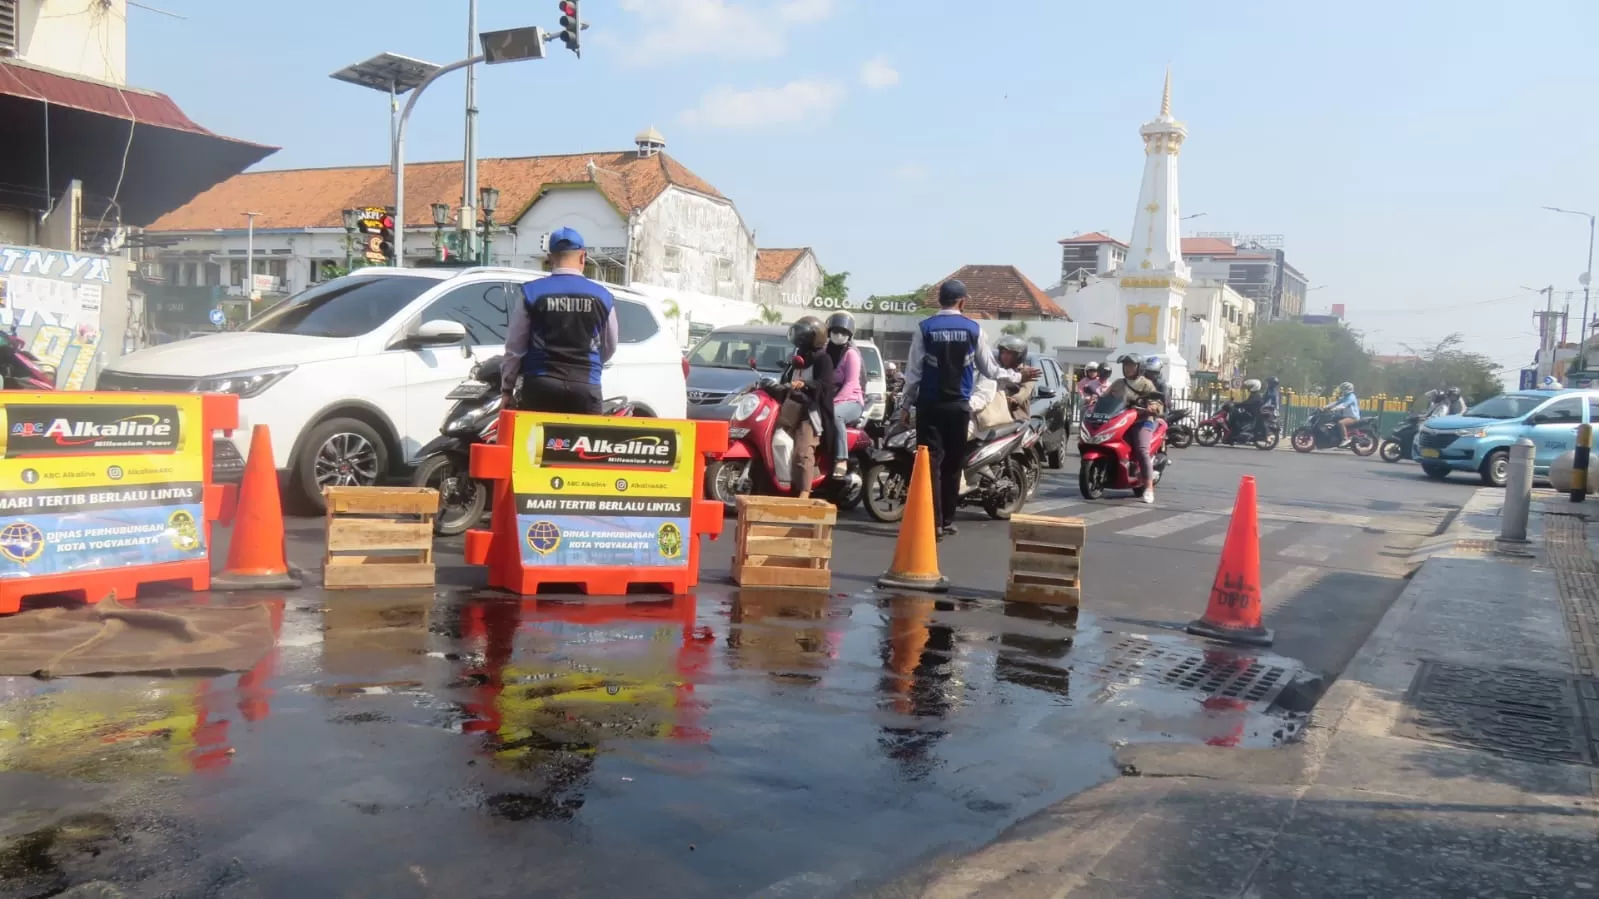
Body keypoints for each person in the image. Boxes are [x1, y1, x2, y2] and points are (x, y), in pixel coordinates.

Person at [901, 280, 1038, 538]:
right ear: (962, 302)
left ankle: (932, 522)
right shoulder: (974, 329)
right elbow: (991, 370)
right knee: (953, 467)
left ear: (940, 300)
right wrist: (1018, 377)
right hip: (959, 408)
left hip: (929, 406)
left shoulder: (925, 328)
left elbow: (914, 373)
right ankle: (947, 521)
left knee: (930, 465)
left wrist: (906, 405)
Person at [502, 226, 619, 414]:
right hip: (585, 386)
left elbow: (515, 348)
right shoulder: (603, 296)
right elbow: (609, 346)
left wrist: (507, 389)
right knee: (584, 441)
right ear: (583, 257)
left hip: (540, 385)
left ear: (550, 258)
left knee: (533, 443)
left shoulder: (531, 293)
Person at [779, 316, 835, 498]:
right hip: (792, 407)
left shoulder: (823, 359)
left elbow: (825, 385)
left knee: (803, 451)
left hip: (810, 411)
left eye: (803, 335)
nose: (799, 338)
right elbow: (785, 379)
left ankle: (804, 491)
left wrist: (805, 385)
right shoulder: (797, 356)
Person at [1104, 354, 1165, 503]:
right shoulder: (1118, 383)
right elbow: (1105, 398)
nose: (1128, 368)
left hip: (1141, 421)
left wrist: (1152, 407)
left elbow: (1158, 403)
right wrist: (1095, 402)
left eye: (1131, 365)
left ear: (1139, 368)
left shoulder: (1146, 384)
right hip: (1119, 421)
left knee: (1142, 450)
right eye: (1126, 365)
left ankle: (1149, 487)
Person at [824, 312, 865, 478]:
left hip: (852, 401)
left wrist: (833, 402)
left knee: (835, 416)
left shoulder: (851, 354)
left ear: (849, 335)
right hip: (828, 398)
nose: (839, 335)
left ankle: (841, 459)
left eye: (843, 332)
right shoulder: (824, 351)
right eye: (835, 331)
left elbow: (851, 383)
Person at [1326, 381, 1360, 445]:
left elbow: (1344, 405)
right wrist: (1325, 407)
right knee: (1333, 419)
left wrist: (1334, 409)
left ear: (1347, 389)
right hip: (1346, 416)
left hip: (1353, 417)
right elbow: (1336, 402)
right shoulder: (1346, 396)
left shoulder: (1351, 397)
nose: (1341, 390)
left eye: (1343, 388)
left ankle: (1345, 439)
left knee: (1341, 423)